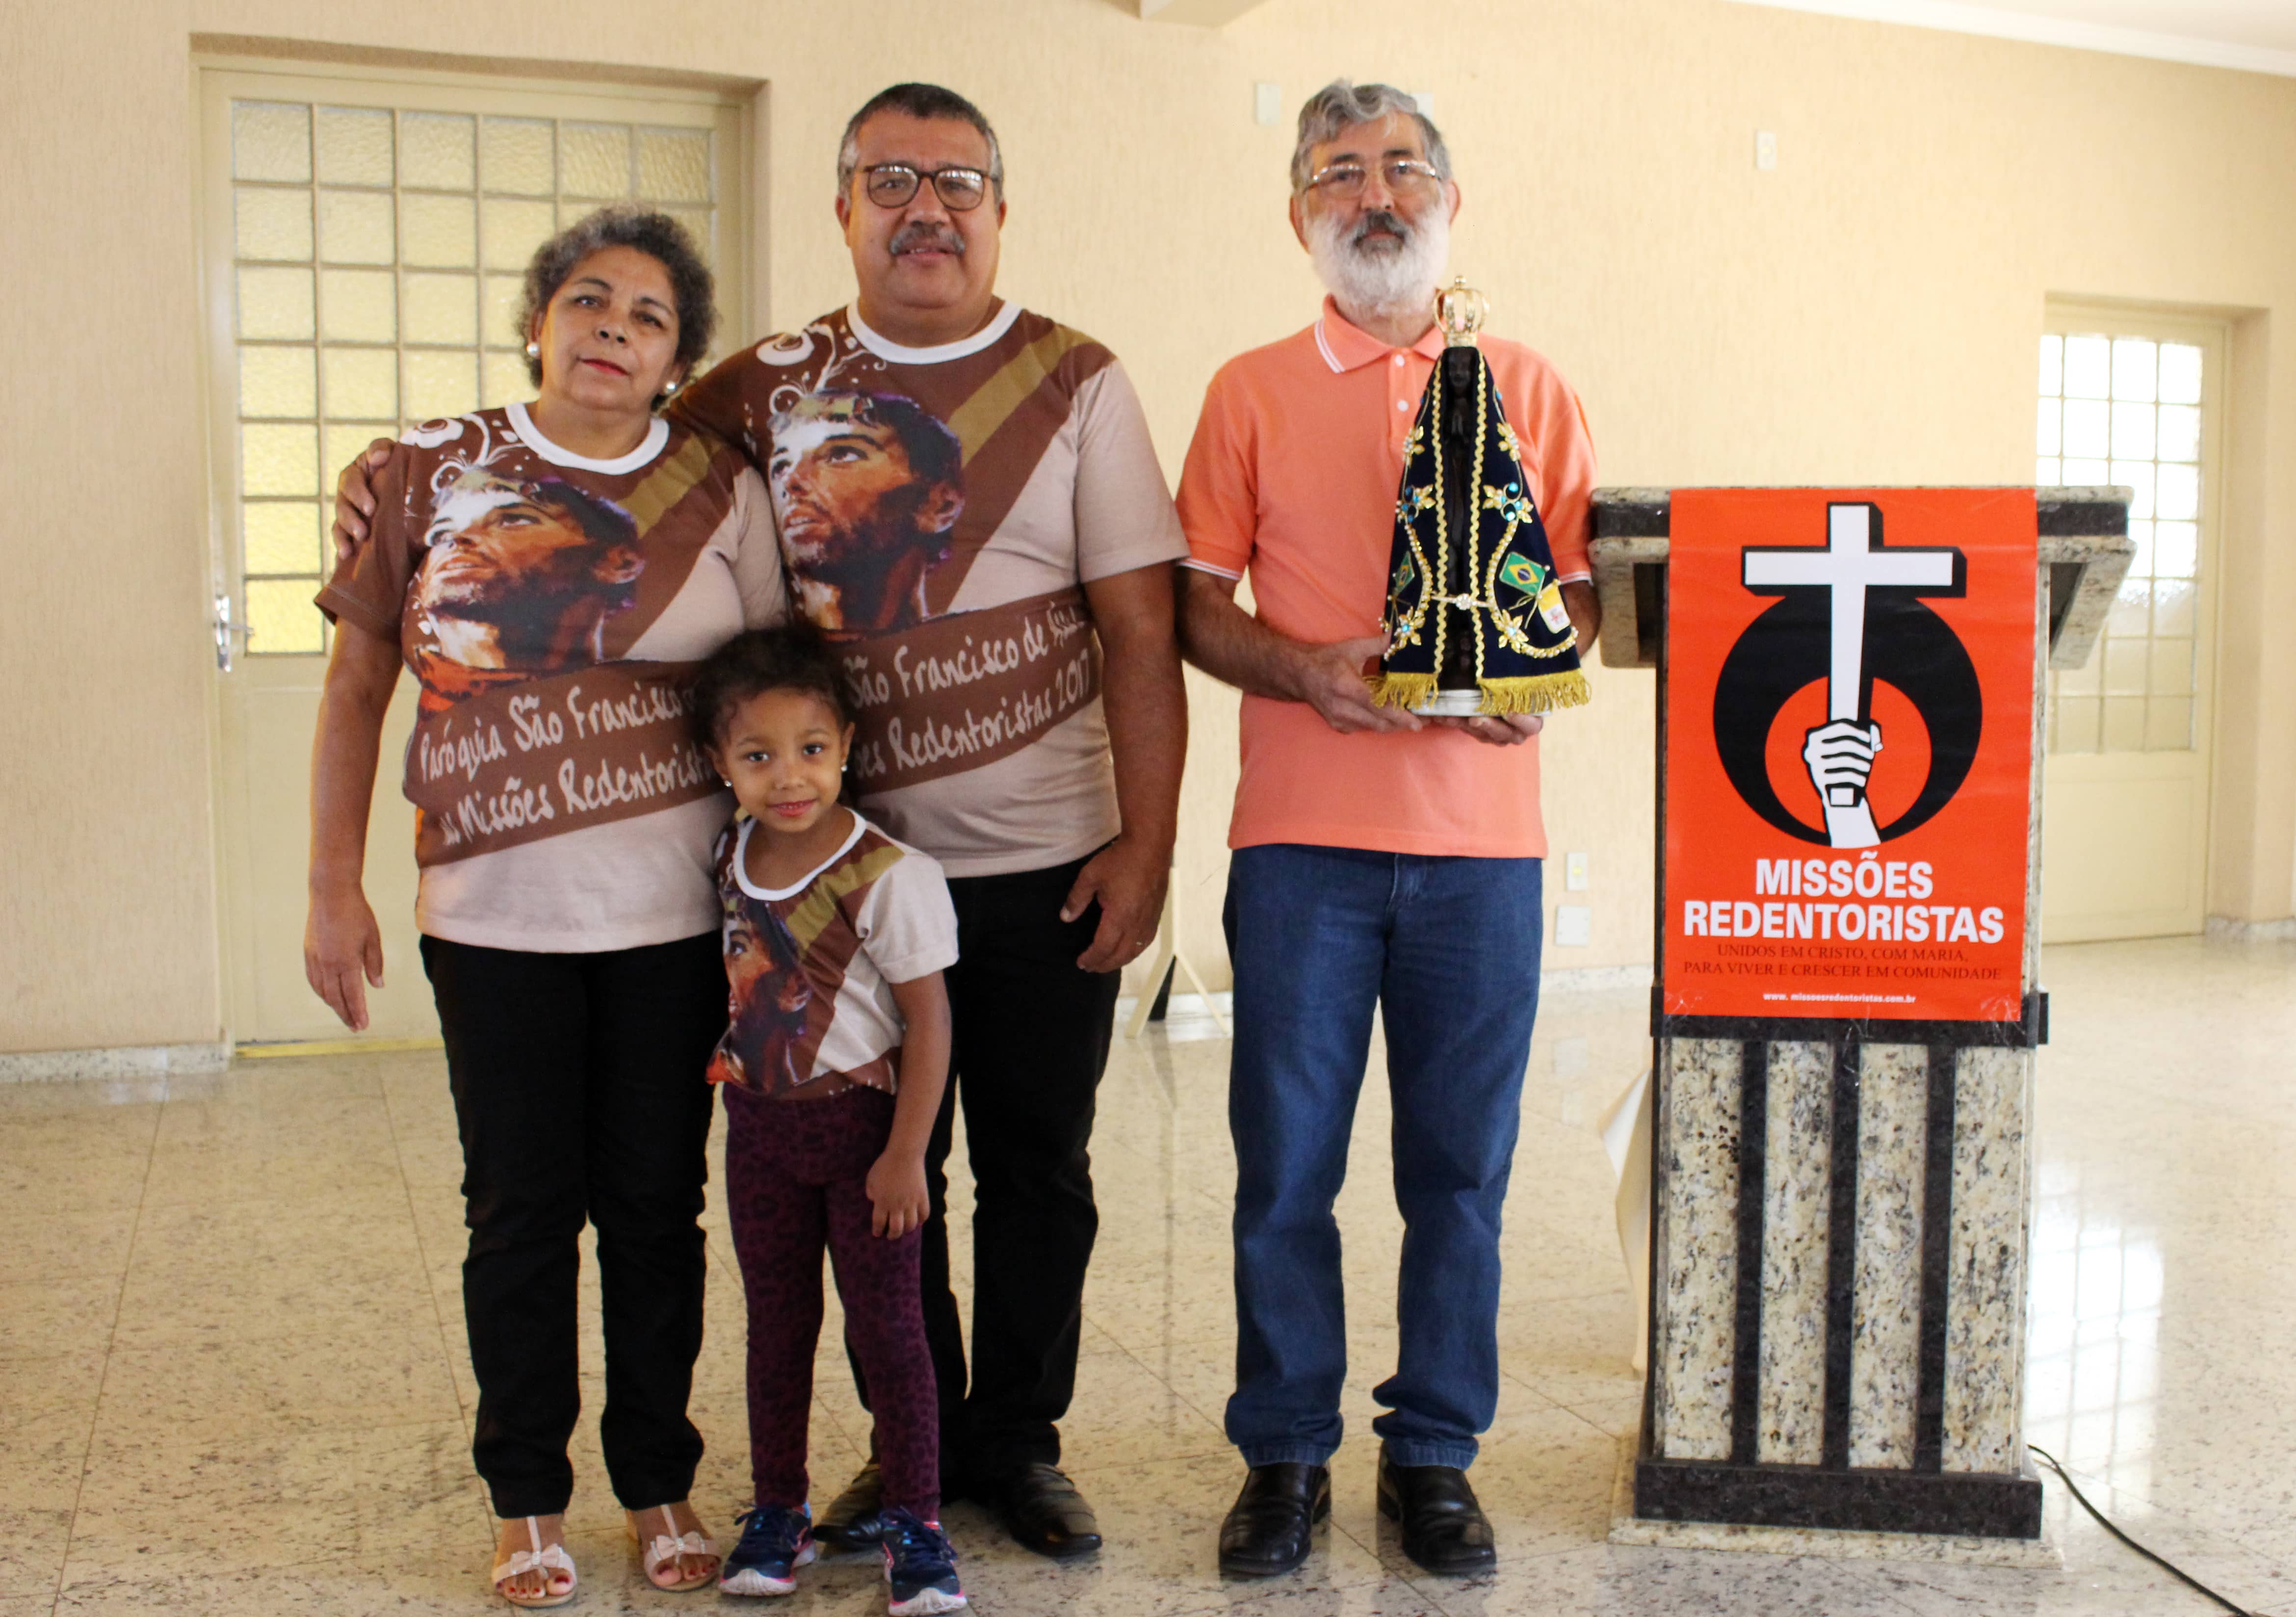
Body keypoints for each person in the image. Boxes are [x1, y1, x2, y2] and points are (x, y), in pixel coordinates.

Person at [334, 83, 1190, 1560]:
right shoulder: (762, 389)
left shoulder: (1080, 378)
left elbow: (1142, 627)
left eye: (958, 181)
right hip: (830, 874)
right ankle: (912, 1447)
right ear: (842, 206)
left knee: (1037, 1167)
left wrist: (1150, 842)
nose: (927, 208)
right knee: (876, 1177)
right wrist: (395, 484)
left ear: (1000, 208)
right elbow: (598, 428)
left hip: (1048, 858)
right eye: (891, 179)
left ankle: (1013, 1442)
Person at [305, 206, 785, 1606]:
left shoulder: (719, 484)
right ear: (538, 322)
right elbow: (356, 685)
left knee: (655, 1209)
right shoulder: (426, 469)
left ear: (675, 359)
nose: (612, 330)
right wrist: (332, 884)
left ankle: (658, 1478)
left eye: (647, 317)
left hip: (671, 923)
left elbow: (772, 688)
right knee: (517, 1212)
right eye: (588, 300)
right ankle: (525, 1495)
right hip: (491, 918)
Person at [1173, 82, 1602, 1579]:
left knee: (1461, 1175)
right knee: (1285, 1168)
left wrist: (1535, 674)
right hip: (1301, 846)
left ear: (1451, 201)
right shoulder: (1248, 391)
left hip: (1485, 855)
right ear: (1300, 212)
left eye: (1405, 167)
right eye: (1341, 172)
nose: (1377, 193)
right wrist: (1303, 670)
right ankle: (1286, 1450)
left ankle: (1434, 1455)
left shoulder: (1528, 385)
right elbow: (1193, 604)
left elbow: (1580, 589)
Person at [690, 628, 966, 1615]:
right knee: (777, 1327)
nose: (788, 776)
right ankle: (778, 1508)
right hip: (760, 1132)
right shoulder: (728, 853)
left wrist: (907, 1155)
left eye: (811, 748)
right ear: (720, 763)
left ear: (847, 744)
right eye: (757, 755)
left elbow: (930, 1022)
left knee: (890, 1331)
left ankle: (917, 1521)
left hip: (864, 1139)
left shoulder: (892, 873)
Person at [768, 389, 965, 630]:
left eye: (841, 454)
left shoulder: (976, 640)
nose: (791, 481)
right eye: (780, 466)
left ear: (938, 506)